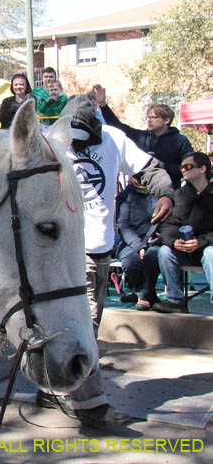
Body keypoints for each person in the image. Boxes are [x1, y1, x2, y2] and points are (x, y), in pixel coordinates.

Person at [44, 94, 173, 427]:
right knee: (83, 326)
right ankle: (90, 405)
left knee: (88, 324)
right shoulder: (52, 141)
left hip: (103, 250)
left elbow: (150, 169)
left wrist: (165, 192)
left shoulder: (114, 139)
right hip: (70, 250)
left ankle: (52, 384)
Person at [94, 84, 193, 188]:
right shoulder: (142, 137)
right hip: (139, 192)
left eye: (153, 117)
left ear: (166, 120)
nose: (149, 120)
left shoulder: (180, 141)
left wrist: (163, 166)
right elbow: (118, 126)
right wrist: (103, 105)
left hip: (168, 192)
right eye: (148, 117)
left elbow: (188, 168)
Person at [153, 152, 213, 313]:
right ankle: (175, 301)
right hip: (184, 249)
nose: (182, 170)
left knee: (210, 253)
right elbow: (167, 226)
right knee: (164, 251)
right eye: (181, 167)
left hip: (207, 247)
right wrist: (174, 241)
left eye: (187, 166)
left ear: (202, 169)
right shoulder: (179, 195)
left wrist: (201, 241)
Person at [117, 176, 160, 311]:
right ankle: (146, 293)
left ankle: (144, 296)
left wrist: (151, 240)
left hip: (154, 240)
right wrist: (139, 246)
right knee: (130, 261)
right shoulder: (125, 196)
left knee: (152, 256)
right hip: (130, 241)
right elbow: (123, 225)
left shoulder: (159, 193)